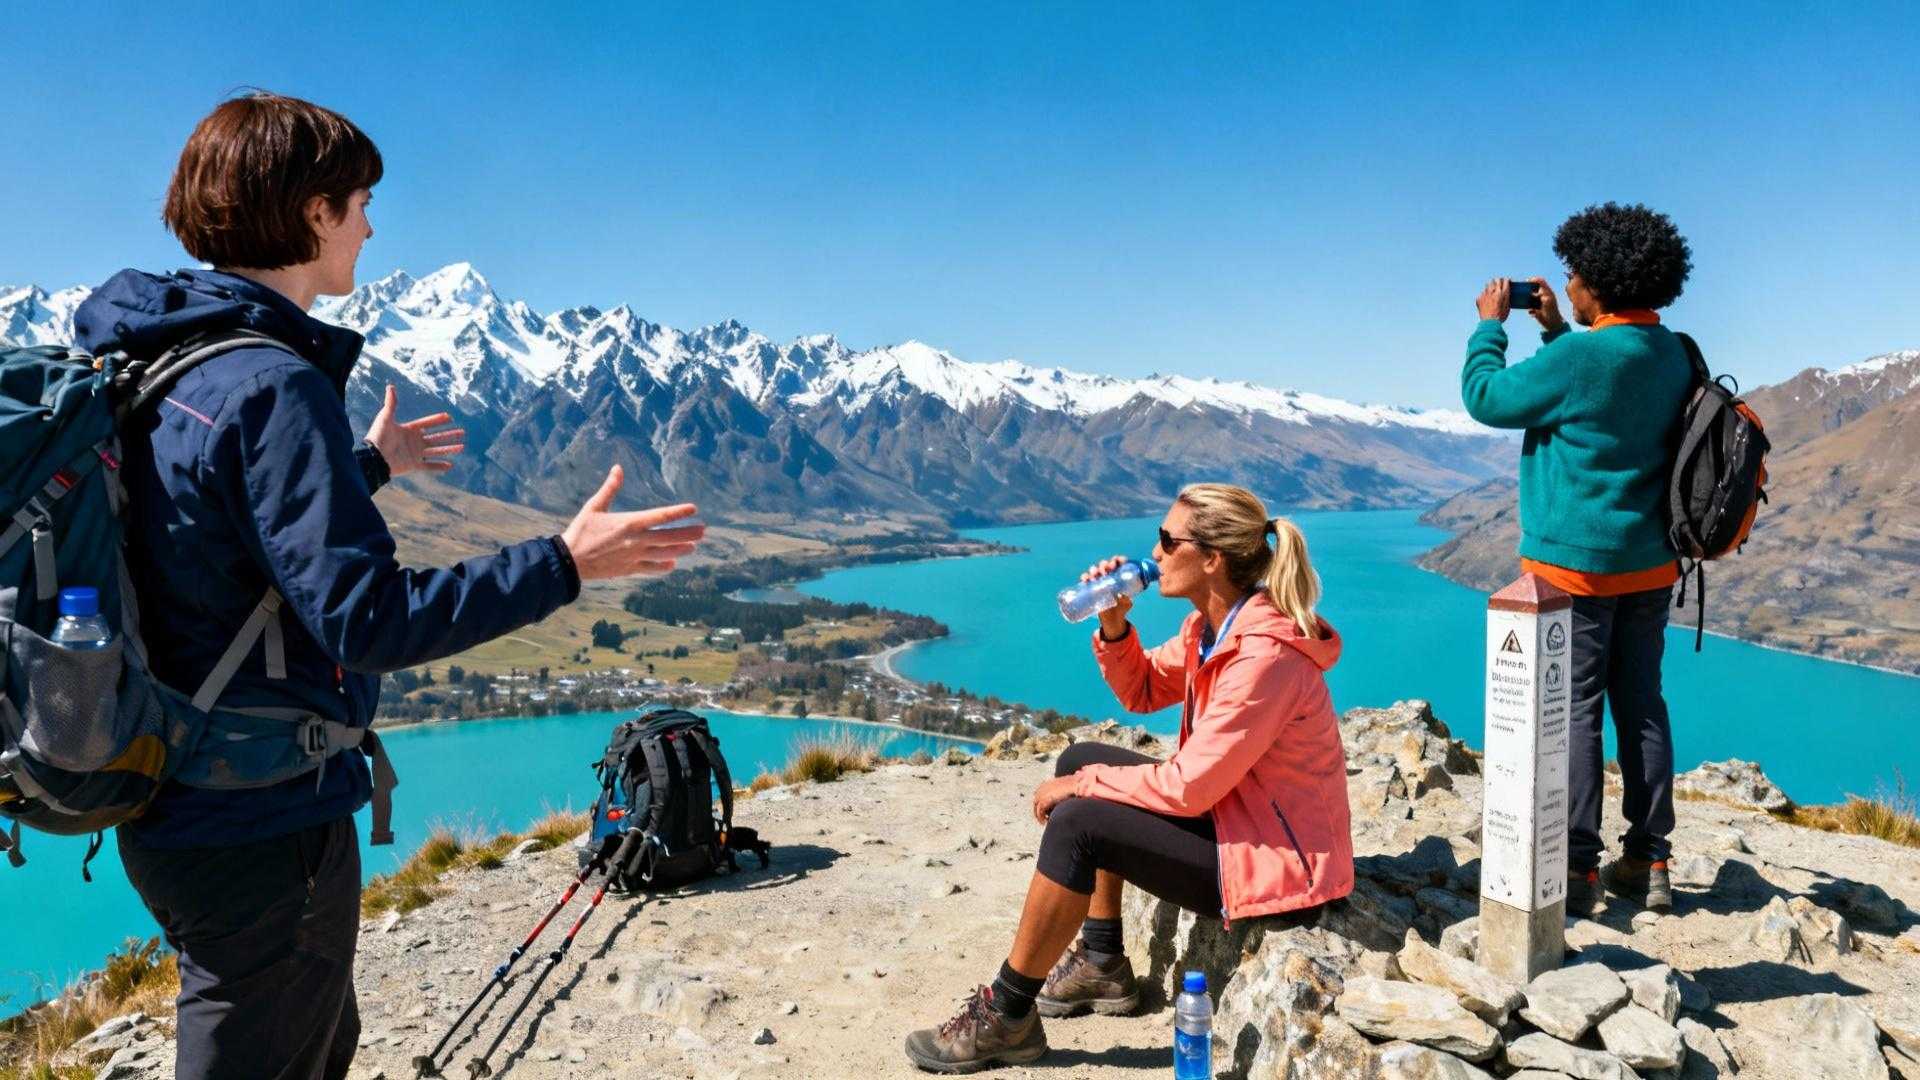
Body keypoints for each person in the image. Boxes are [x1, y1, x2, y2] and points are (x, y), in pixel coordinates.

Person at [70, 92, 707, 1080]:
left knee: (308, 1042)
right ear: (313, 211)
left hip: (171, 796)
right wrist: (564, 562)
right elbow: (367, 620)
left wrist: (361, 468)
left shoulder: (163, 358)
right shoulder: (274, 383)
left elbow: (200, 532)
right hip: (261, 817)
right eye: (361, 201)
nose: (370, 225)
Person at [904, 483, 1353, 1074]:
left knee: (1080, 820)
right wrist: (1114, 624)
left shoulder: (1262, 657)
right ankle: (1102, 961)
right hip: (1235, 819)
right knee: (1079, 760)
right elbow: (1142, 690)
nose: (1155, 552)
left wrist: (1087, 787)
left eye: (1168, 540)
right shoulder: (1211, 629)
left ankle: (1007, 1016)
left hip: (1278, 865)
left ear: (1212, 558)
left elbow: (1189, 788)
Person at [1461, 202, 1696, 917]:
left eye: (1574, 273)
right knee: (1643, 707)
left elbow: (1487, 398)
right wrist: (1558, 327)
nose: (1565, 281)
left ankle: (1577, 871)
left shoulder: (1579, 356)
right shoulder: (1675, 351)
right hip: (1652, 565)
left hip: (1574, 572)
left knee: (1575, 711)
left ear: (1599, 278)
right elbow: (1604, 397)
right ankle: (1650, 861)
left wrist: (1490, 325)